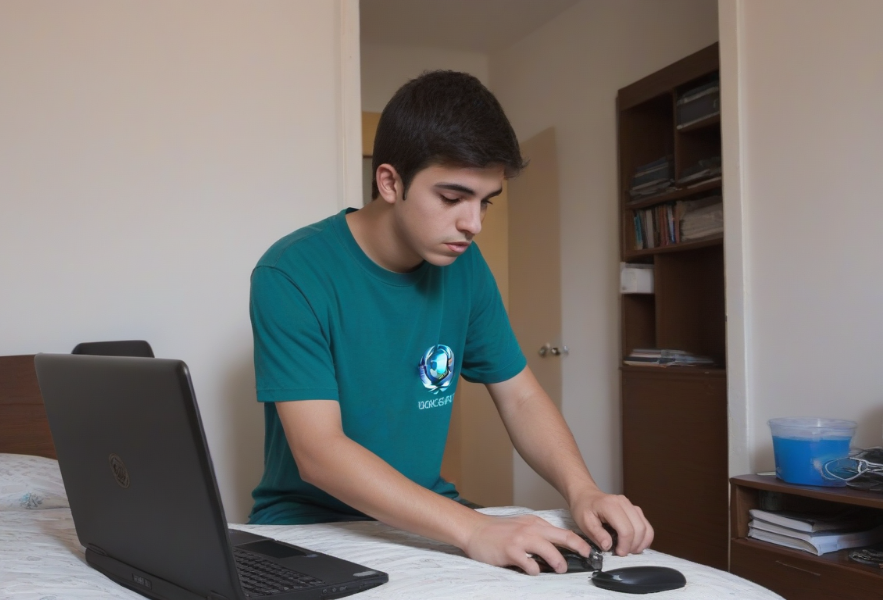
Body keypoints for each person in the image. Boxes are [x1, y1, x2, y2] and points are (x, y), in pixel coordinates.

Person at [247, 70, 653, 575]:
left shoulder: (465, 269)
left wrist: (582, 489)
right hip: (310, 525)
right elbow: (320, 452)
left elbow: (521, 395)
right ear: (390, 181)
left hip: (430, 516)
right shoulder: (292, 272)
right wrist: (473, 528)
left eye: (485, 202)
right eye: (452, 198)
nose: (473, 224)